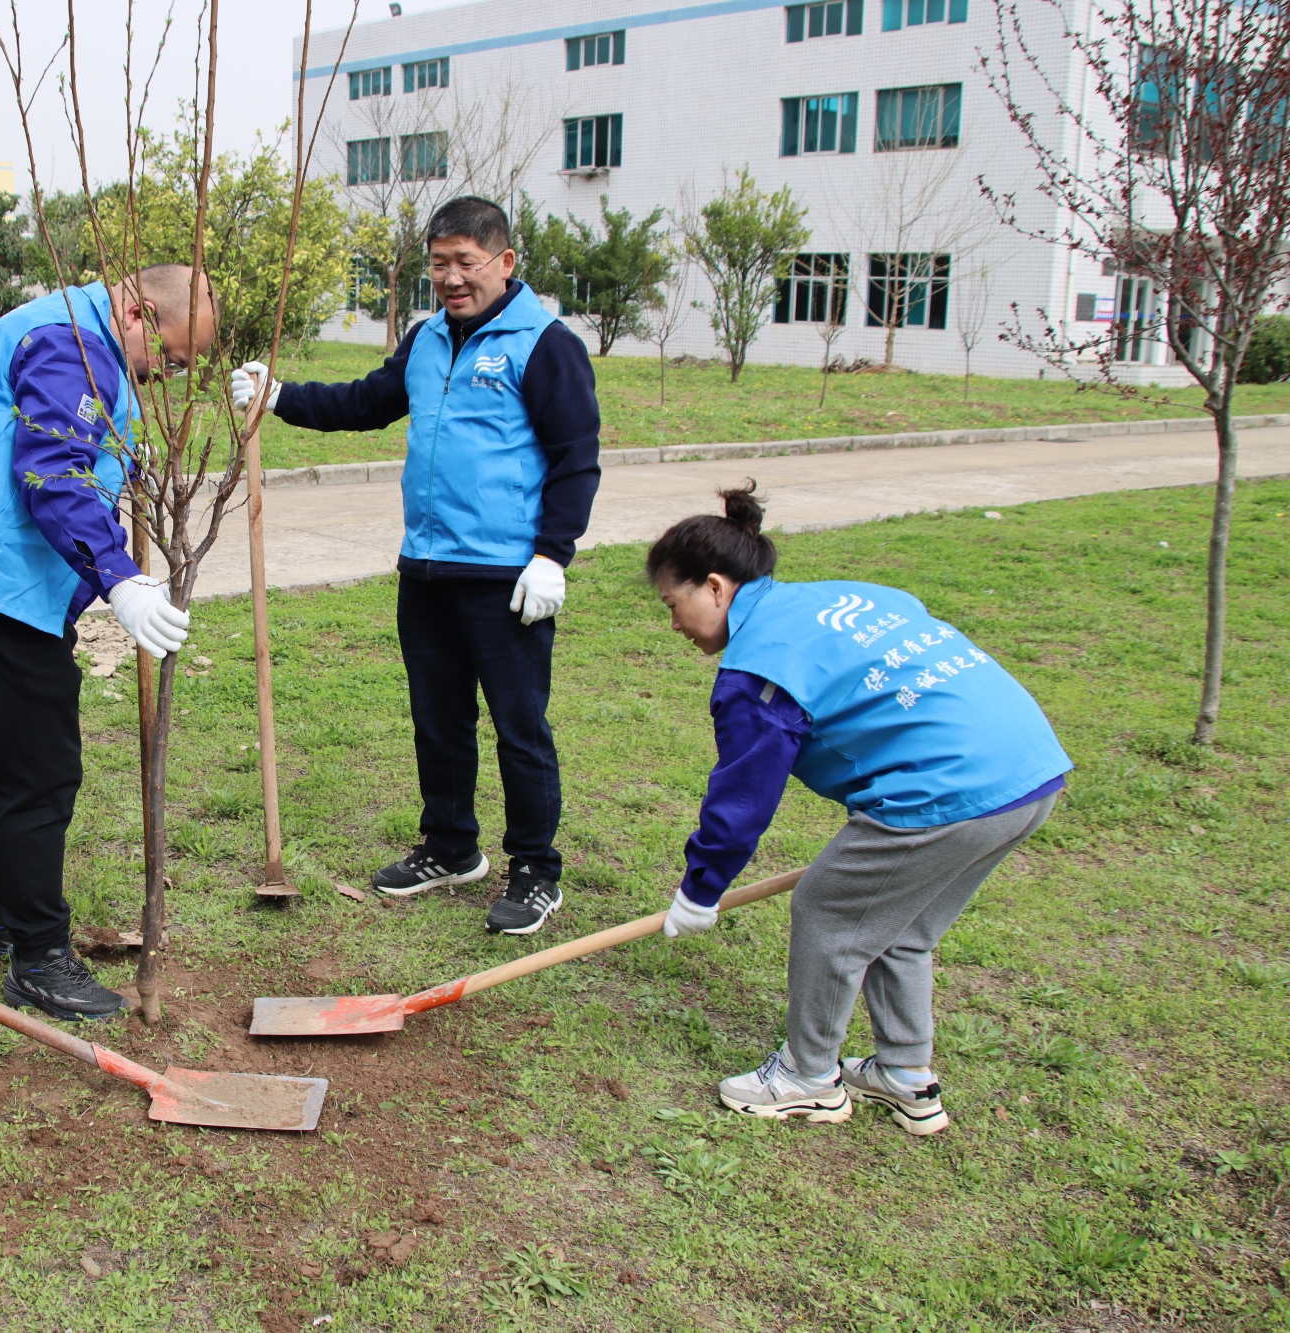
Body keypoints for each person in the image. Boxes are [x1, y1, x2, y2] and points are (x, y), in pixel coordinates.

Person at [648, 485, 1072, 1135]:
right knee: (901, 925)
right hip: (1029, 772)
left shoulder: (759, 672)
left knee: (830, 912)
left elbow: (743, 797)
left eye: (673, 605)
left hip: (946, 790)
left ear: (714, 586)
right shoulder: (842, 596)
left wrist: (701, 888)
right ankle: (905, 1075)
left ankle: (809, 1077)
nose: (675, 625)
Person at [230, 196, 601, 936]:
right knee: (438, 718)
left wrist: (550, 557)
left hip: (506, 575)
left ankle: (535, 869)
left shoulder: (545, 344)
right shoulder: (428, 338)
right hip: (427, 565)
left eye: (466, 262)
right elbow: (367, 402)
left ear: (504, 262)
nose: (452, 278)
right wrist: (281, 397)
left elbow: (575, 459)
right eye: (439, 264)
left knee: (519, 726)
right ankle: (450, 846)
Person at [0, 265, 213, 1022]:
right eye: (171, 357)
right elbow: (54, 471)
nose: (168, 375)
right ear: (138, 312)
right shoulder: (71, 346)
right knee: (42, 768)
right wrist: (119, 577)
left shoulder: (78, 330)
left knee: (12, 752)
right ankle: (38, 958)